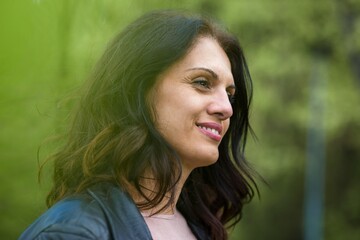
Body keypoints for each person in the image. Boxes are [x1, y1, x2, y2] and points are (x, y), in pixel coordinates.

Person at [19, 9, 258, 240]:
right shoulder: (72, 231)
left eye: (230, 94)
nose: (226, 108)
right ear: (139, 90)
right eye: (202, 82)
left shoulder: (203, 230)